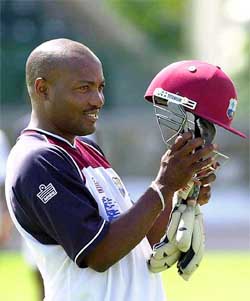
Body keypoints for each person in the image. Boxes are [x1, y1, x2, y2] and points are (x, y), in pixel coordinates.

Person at [5, 39, 217, 301]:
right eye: (84, 88)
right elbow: (99, 253)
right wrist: (163, 185)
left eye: (100, 87)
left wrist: (179, 190)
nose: (98, 100)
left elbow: (141, 241)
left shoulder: (88, 150)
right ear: (43, 89)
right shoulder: (37, 161)